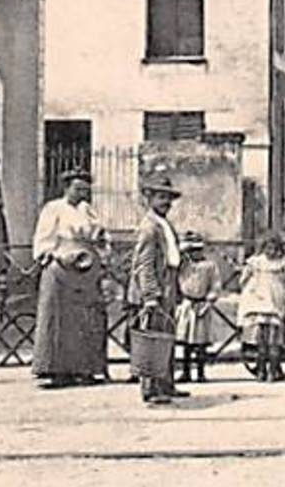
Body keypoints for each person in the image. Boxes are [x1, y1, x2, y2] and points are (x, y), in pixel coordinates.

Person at [29, 168, 109, 389]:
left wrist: (99, 238)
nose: (81, 193)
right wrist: (57, 254)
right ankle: (57, 371)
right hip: (61, 266)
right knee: (59, 319)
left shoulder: (88, 210)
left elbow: (100, 237)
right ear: (66, 188)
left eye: (85, 189)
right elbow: (43, 239)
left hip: (86, 268)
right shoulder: (53, 208)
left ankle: (86, 369)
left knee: (87, 319)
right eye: (77, 188)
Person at [127, 172, 186, 405]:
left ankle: (167, 384)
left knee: (167, 336)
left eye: (168, 198)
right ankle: (151, 388)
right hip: (156, 289)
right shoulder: (149, 228)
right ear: (149, 199)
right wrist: (150, 296)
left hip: (169, 283)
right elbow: (144, 265)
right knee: (153, 338)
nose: (166, 203)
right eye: (161, 197)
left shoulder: (164, 224)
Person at [237, 231, 285, 381]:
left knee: (274, 340)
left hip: (276, 299)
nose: (271, 252)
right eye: (268, 248)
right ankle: (261, 369)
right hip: (258, 300)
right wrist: (250, 290)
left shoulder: (284, 263)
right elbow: (244, 279)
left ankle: (273, 370)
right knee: (260, 339)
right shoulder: (255, 262)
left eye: (275, 249)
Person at [173, 231, 221, 384]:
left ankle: (201, 372)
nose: (195, 254)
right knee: (186, 341)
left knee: (200, 342)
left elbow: (215, 285)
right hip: (187, 304)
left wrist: (209, 300)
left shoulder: (209, 266)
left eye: (198, 250)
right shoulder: (184, 265)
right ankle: (186, 371)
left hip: (202, 304)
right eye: (191, 251)